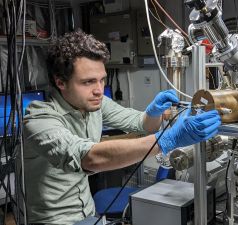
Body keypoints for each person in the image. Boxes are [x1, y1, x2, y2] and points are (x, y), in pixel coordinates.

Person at [23, 30, 221, 225]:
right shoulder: (39, 118)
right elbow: (89, 158)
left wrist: (153, 113)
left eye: (102, 80)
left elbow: (142, 124)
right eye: (88, 82)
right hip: (54, 220)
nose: (99, 90)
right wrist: (170, 139)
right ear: (60, 82)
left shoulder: (96, 103)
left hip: (88, 213)